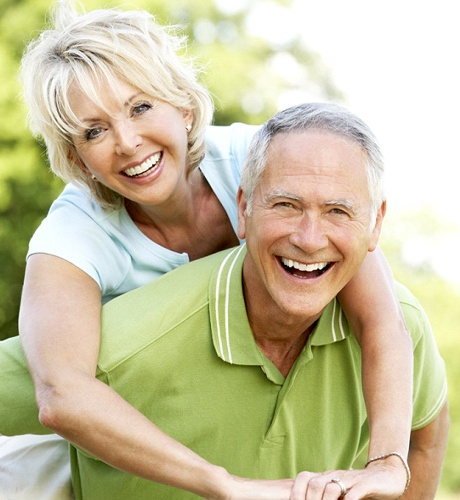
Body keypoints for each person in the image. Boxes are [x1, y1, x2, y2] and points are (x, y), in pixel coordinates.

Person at [0, 2, 412, 498]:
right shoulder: (71, 237)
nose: (127, 142)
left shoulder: (263, 161)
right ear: (76, 156)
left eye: (140, 107)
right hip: (138, 446)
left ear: (184, 106)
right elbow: (61, 395)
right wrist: (228, 486)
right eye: (94, 130)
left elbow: (381, 315)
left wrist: (388, 464)